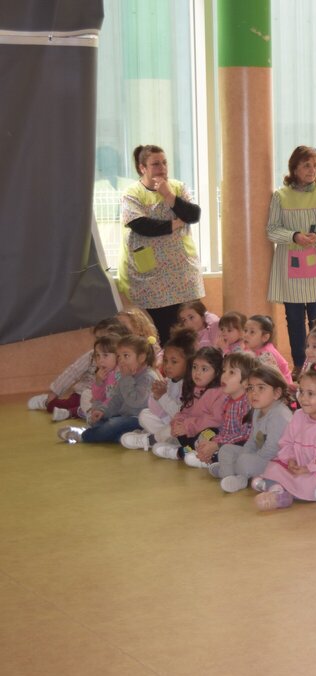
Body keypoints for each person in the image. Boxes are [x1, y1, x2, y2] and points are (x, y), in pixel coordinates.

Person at [266, 146, 316, 370]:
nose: (311, 170)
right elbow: (271, 230)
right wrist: (293, 236)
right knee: (294, 322)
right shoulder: (280, 197)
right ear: (294, 168)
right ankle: (300, 365)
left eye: (314, 166)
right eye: (306, 165)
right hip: (291, 273)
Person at [120, 145, 204, 344]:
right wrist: (175, 223)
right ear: (143, 168)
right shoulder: (132, 193)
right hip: (152, 277)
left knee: (194, 330)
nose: (162, 168)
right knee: (166, 333)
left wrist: (170, 196)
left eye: (164, 162)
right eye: (155, 164)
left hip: (183, 274)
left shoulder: (177, 187)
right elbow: (141, 225)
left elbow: (193, 214)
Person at [251, 365, 316, 511]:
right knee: (272, 466)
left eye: (311, 393)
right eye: (301, 391)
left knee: (310, 485)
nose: (303, 398)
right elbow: (286, 442)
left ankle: (278, 491)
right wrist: (291, 460)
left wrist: (308, 468)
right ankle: (278, 490)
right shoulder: (299, 416)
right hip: (298, 467)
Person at [57, 335, 161, 445]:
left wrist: (126, 378)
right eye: (119, 357)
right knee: (101, 422)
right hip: (124, 416)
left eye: (126, 356)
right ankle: (127, 437)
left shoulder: (148, 377)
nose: (121, 361)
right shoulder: (127, 375)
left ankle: (83, 435)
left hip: (138, 418)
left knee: (112, 425)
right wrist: (103, 411)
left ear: (141, 358)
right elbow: (116, 399)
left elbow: (135, 402)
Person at [212, 365, 294, 493]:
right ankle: (228, 475)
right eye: (250, 388)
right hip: (259, 456)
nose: (253, 393)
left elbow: (273, 449)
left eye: (261, 388)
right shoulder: (257, 410)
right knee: (226, 449)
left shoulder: (279, 415)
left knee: (244, 461)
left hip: (275, 461)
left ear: (277, 393)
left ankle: (235, 475)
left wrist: (245, 458)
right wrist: (245, 453)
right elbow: (252, 440)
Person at [122, 328, 197, 451]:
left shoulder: (190, 385)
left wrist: (162, 396)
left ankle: (150, 440)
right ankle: (163, 439)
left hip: (182, 427)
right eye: (166, 360)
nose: (167, 366)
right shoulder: (169, 381)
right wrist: (156, 394)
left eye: (174, 362)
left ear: (189, 363)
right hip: (169, 423)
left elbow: (181, 414)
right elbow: (158, 409)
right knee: (144, 414)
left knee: (175, 425)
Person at [151, 347, 227, 461]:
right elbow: (185, 411)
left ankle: (181, 453)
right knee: (176, 429)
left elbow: (215, 420)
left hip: (208, 432)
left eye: (204, 369)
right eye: (195, 367)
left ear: (216, 372)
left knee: (208, 435)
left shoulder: (220, 392)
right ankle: (188, 450)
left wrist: (188, 425)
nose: (197, 373)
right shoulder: (194, 388)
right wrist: (177, 422)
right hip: (191, 431)